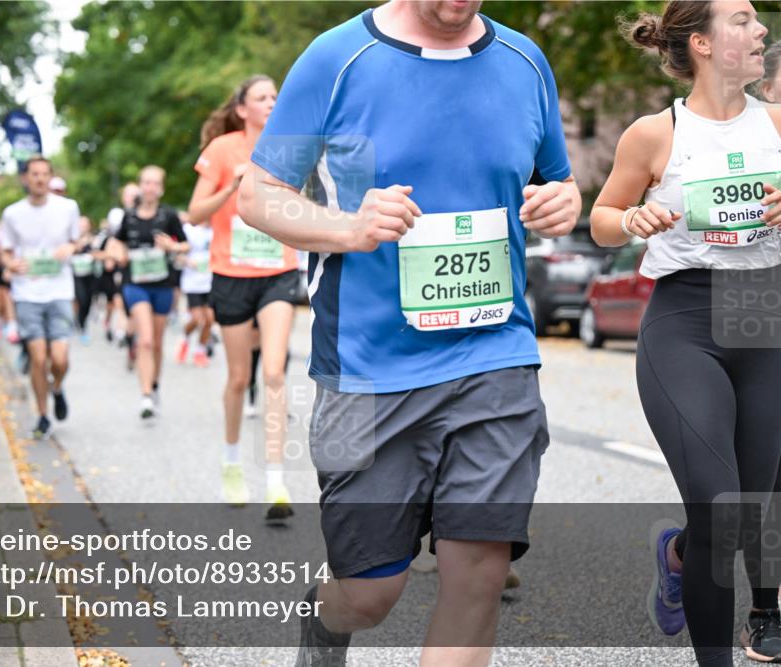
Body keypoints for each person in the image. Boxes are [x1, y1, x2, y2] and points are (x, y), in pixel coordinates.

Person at [236, 1, 580, 664]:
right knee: (369, 594)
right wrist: (346, 228)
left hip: (495, 355)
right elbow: (257, 193)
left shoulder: (524, 63)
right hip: (368, 369)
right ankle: (325, 618)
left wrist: (565, 200)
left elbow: (556, 183)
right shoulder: (337, 60)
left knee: (477, 576)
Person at [590, 2, 780, 665]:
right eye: (745, 19)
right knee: (722, 508)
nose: (762, 31)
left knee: (748, 513)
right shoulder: (653, 132)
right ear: (702, 42)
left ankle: (678, 553)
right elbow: (602, 217)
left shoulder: (780, 123)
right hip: (684, 321)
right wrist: (632, 218)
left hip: (764, 315)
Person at [188, 75, 300, 518]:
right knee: (239, 378)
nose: (272, 102)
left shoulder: (290, 147)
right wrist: (232, 188)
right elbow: (195, 215)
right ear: (242, 109)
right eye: (262, 97)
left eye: (275, 96)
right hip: (230, 273)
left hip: (278, 270)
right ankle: (231, 461)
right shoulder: (221, 150)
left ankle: (276, 482)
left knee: (273, 371)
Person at [0, 156, 81, 439]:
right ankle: (43, 414)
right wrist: (10, 264)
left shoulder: (67, 208)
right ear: (25, 178)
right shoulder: (12, 214)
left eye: (45, 174)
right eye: (34, 174)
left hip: (59, 290)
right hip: (27, 292)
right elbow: (5, 250)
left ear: (50, 177)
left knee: (59, 359)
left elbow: (77, 240)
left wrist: (71, 248)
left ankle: (57, 387)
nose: (40, 179)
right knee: (38, 357)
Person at [109, 166, 188, 419]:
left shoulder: (169, 216)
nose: (150, 187)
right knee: (145, 339)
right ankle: (144, 396)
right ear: (140, 186)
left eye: (155, 183)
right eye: (146, 182)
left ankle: (153, 387)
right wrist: (118, 253)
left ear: (161, 189)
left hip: (162, 286)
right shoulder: (129, 216)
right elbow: (117, 242)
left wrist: (172, 246)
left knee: (156, 342)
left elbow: (185, 244)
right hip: (136, 284)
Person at [101, 182, 141, 352]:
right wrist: (116, 256)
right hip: (122, 267)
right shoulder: (118, 215)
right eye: (128, 195)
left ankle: (132, 334)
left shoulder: (148, 213)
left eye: (134, 194)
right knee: (120, 301)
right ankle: (122, 330)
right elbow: (113, 241)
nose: (132, 198)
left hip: (143, 268)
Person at [175, 218, 214, 367]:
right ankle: (184, 338)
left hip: (211, 281)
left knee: (210, 319)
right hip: (193, 282)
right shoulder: (188, 230)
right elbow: (177, 252)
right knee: (197, 318)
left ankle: (200, 351)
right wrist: (188, 262)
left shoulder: (216, 229)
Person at [71, 216, 98, 344]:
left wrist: (93, 251)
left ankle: (82, 321)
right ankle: (79, 324)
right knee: (80, 298)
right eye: (80, 225)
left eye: (84, 225)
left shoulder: (94, 239)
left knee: (88, 301)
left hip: (90, 275)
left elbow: (100, 253)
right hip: (76, 275)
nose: (82, 227)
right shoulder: (72, 240)